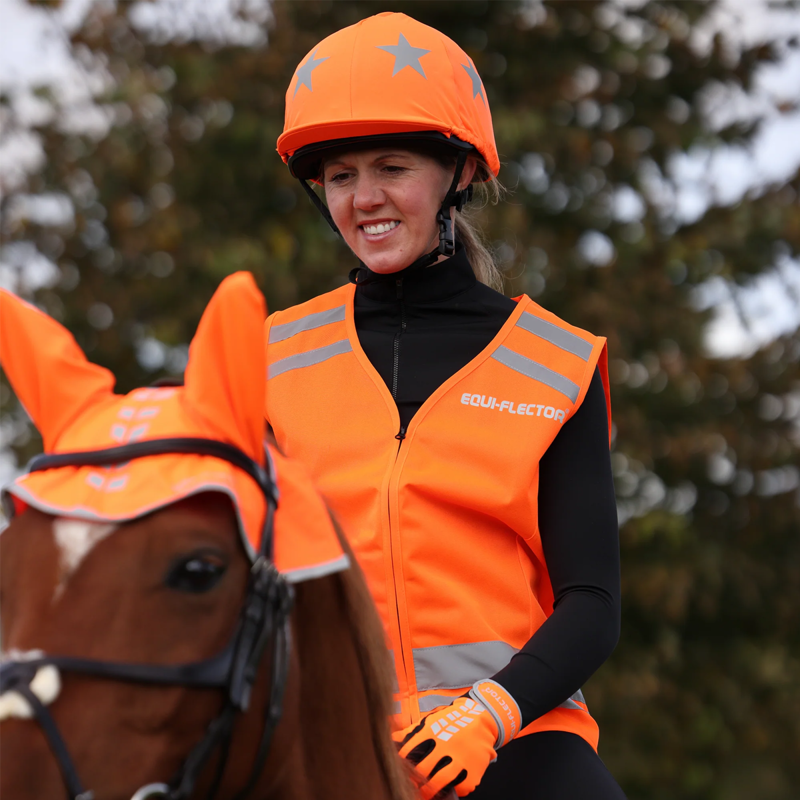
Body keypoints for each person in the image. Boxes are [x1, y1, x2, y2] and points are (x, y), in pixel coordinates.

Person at [264, 12, 626, 799]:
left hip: (519, 743)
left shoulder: (556, 364)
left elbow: (593, 603)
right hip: (331, 744)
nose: (365, 198)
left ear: (458, 172)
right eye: (340, 176)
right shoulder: (273, 359)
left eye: (392, 167)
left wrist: (487, 714)